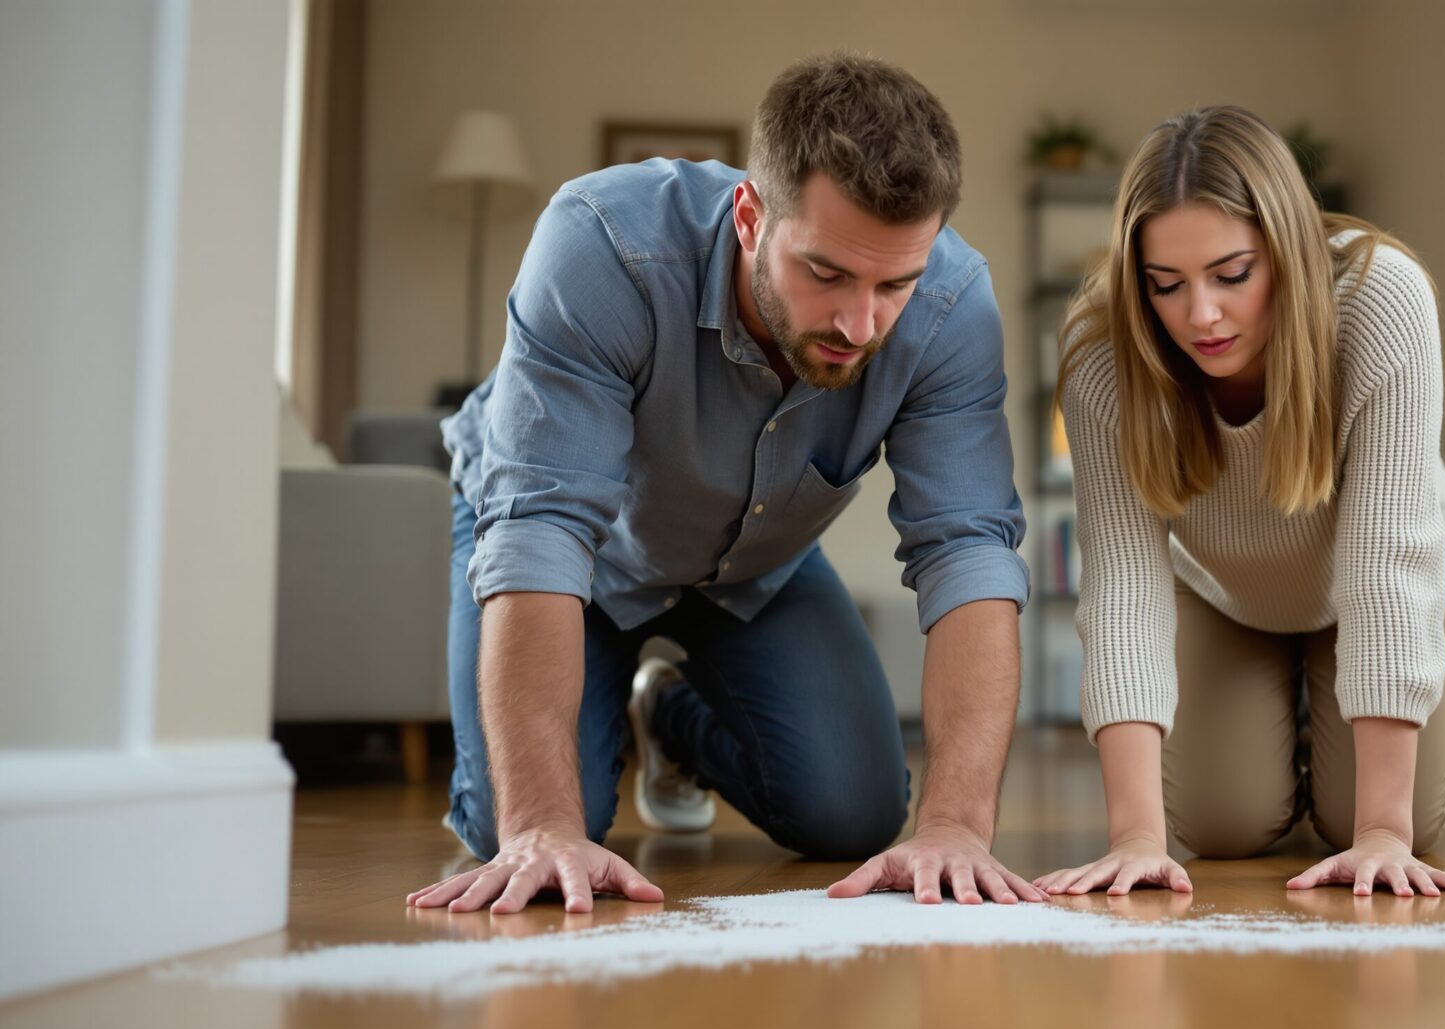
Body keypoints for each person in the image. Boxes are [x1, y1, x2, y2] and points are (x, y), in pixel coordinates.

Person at [407, 53, 1046, 915]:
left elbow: (968, 551)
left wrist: (958, 827)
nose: (861, 324)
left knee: (853, 814)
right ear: (750, 217)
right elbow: (540, 529)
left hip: (754, 564)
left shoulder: (952, 306)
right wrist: (542, 823)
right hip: (580, 555)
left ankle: (668, 715)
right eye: (826, 273)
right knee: (524, 830)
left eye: (895, 283)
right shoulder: (604, 246)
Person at [1034, 106, 1445, 899]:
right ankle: (1292, 718)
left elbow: (1386, 564)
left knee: (1380, 821)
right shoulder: (1101, 355)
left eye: (1232, 274)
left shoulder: (1382, 297)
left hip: (1382, 568)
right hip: (1225, 588)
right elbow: (1123, 590)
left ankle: (1334, 743)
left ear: (1287, 249)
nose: (1200, 316)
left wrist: (1383, 834)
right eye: (1165, 285)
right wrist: (1136, 839)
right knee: (1222, 828)